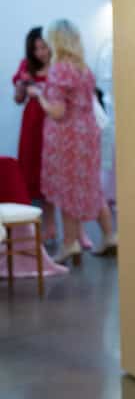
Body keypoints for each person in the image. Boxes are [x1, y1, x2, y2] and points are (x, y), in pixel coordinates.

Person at [37, 20, 117, 264]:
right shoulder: (84, 69)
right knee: (90, 185)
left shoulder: (59, 69)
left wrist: (39, 97)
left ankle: (69, 243)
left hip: (66, 138)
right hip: (87, 135)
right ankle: (110, 235)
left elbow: (58, 111)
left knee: (66, 189)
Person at [12, 27, 56, 240]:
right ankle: (30, 230)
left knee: (52, 175)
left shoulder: (59, 67)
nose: (40, 52)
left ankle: (50, 227)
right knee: (31, 172)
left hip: (54, 123)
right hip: (32, 123)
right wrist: (21, 84)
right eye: (35, 48)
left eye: (43, 47)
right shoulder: (26, 66)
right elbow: (18, 99)